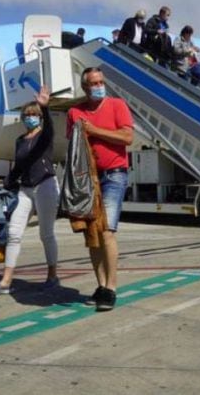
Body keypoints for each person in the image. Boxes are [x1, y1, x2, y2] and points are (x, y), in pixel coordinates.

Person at [66, 66, 134, 311]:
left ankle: (112, 288)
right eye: (93, 83)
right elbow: (74, 148)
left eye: (100, 82)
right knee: (92, 234)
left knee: (106, 231)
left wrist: (95, 131)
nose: (98, 86)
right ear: (84, 87)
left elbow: (127, 138)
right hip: (87, 179)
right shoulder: (74, 112)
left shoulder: (117, 105)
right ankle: (101, 285)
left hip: (114, 174)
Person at [0, 86, 60, 295]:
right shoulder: (20, 141)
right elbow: (18, 167)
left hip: (45, 184)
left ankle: (52, 275)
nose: (30, 118)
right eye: (27, 115)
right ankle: (5, 281)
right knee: (14, 233)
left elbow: (50, 130)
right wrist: (5, 183)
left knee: (46, 233)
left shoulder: (44, 135)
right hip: (25, 188)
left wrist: (45, 108)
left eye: (34, 114)